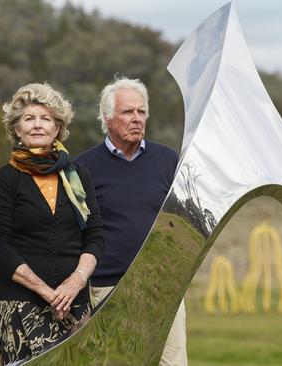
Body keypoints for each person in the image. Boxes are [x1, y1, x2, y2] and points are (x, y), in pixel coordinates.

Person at [0, 83, 104, 365]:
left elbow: (96, 236)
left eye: (45, 118)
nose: (37, 125)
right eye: (29, 119)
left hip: (76, 307)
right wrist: (48, 293)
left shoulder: (79, 175)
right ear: (16, 129)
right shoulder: (6, 178)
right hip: (20, 307)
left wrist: (75, 283)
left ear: (57, 128)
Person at [75, 77, 185, 365]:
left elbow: (183, 221)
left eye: (141, 112)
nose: (136, 119)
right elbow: (75, 231)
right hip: (108, 289)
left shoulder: (168, 160)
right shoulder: (83, 167)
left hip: (163, 287)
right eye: (127, 112)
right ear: (107, 118)